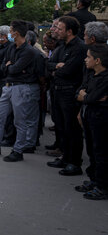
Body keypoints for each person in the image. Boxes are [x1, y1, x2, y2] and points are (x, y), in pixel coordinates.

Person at [0, 20, 40, 162]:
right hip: (8, 85)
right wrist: (5, 69)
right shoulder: (12, 48)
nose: (10, 34)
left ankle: (18, 150)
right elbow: (5, 66)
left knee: (20, 120)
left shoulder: (29, 51)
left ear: (16, 33)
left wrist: (9, 67)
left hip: (21, 87)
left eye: (11, 31)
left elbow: (14, 68)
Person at [46, 16, 86, 175]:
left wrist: (57, 70)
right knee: (61, 126)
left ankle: (74, 162)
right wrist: (56, 67)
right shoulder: (61, 47)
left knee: (72, 129)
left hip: (70, 92)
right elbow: (47, 64)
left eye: (60, 28)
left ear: (69, 31)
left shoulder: (80, 48)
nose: (56, 31)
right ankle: (65, 156)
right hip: (57, 90)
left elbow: (69, 70)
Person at [75, 44, 108, 200]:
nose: (85, 59)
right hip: (88, 115)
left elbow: (91, 97)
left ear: (98, 60)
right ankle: (94, 179)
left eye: (89, 57)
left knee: (101, 151)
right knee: (92, 150)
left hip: (100, 118)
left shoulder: (105, 78)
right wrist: (86, 97)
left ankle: (102, 185)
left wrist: (87, 97)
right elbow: (80, 92)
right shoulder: (90, 74)